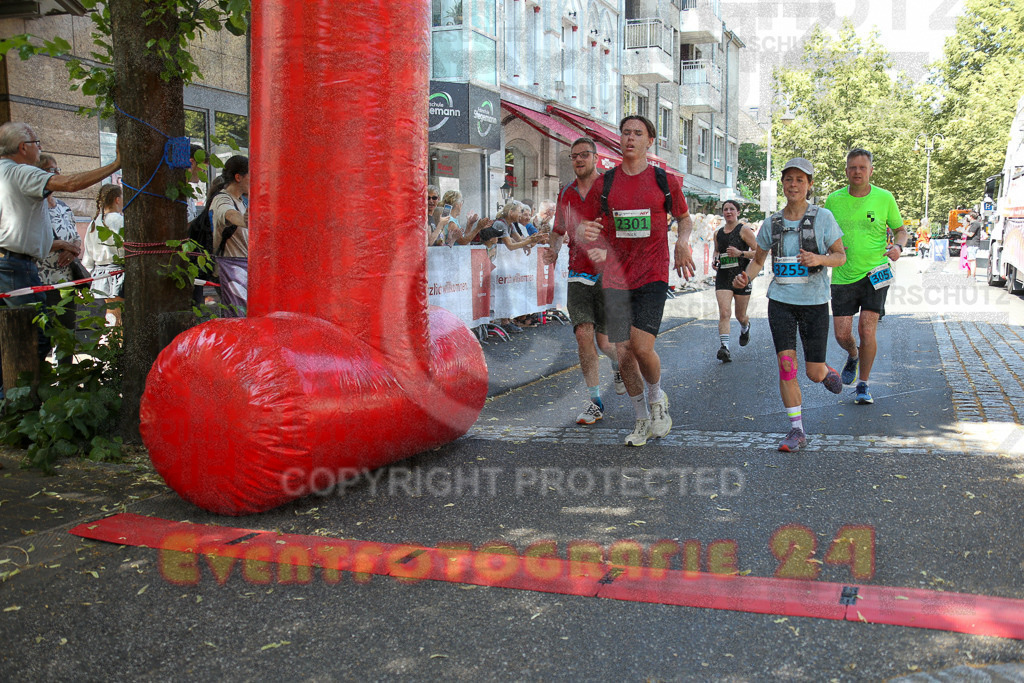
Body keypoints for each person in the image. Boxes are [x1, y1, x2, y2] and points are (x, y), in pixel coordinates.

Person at [582, 115, 695, 447]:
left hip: (652, 274)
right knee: (623, 351)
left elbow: (684, 219)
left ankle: (658, 398)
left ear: (650, 141)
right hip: (616, 278)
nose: (630, 138)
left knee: (641, 347)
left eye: (637, 133)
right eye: (625, 133)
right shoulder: (605, 183)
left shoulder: (665, 180)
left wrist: (682, 242)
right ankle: (641, 419)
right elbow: (589, 226)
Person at [732, 158, 847, 452]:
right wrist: (746, 277)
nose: (793, 185)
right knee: (786, 365)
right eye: (788, 179)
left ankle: (825, 371)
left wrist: (819, 259)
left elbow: (840, 256)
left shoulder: (824, 217)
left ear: (808, 185)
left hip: (815, 303)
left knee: (813, 372)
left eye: (799, 180)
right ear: (783, 184)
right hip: (781, 302)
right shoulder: (772, 223)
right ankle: (796, 430)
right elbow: (759, 259)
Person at [0, 122, 118, 373]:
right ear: (23, 147)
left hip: (16, 264)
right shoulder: (22, 173)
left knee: (25, 333)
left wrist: (71, 245)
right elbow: (71, 183)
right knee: (38, 335)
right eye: (37, 144)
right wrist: (115, 165)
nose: (40, 149)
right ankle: (14, 395)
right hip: (18, 266)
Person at [544, 136, 624, 425]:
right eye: (574, 156)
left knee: (605, 342)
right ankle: (595, 402)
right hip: (578, 272)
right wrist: (553, 250)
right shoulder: (565, 192)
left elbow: (623, 227)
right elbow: (558, 230)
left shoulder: (610, 188)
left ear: (595, 158)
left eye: (584, 155)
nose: (578, 160)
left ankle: (617, 366)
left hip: (608, 272)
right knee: (582, 335)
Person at [824, 148, 906, 405]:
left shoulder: (885, 198)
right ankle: (852, 354)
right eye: (852, 168)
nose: (857, 172)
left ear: (871, 170)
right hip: (843, 274)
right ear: (846, 171)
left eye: (862, 167)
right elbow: (823, 233)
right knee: (842, 334)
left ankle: (863, 385)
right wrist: (828, 247)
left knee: (867, 330)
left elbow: (900, 231)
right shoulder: (834, 200)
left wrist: (898, 247)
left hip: (875, 273)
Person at [33, 154, 83, 364]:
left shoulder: (63, 206)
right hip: (42, 281)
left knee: (66, 336)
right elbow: (33, 242)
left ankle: (65, 384)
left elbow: (77, 239)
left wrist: (72, 250)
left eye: (57, 169)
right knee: (41, 338)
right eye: (50, 170)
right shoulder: (33, 207)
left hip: (66, 280)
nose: (57, 174)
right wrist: (63, 245)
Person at [712, 199, 757, 362]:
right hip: (723, 276)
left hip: (741, 276)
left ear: (738, 212)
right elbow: (716, 251)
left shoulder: (744, 230)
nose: (728, 212)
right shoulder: (718, 233)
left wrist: (740, 253)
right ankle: (725, 348)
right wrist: (715, 261)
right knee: (724, 312)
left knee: (740, 315)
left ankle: (745, 327)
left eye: (731, 209)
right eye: (725, 209)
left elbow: (758, 252)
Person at [209, 155, 249, 316]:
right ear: (238, 177)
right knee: (236, 320)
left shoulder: (242, 201)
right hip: (230, 271)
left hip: (242, 271)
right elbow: (230, 215)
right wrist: (246, 220)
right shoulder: (221, 199)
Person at [82, 184, 125, 327]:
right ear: (117, 199)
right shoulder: (120, 220)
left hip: (101, 274)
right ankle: (116, 345)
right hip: (118, 274)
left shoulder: (93, 223)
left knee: (112, 315)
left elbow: (88, 257)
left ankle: (112, 344)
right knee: (119, 318)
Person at [963, 210, 983, 278]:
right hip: (971, 244)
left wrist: (963, 231)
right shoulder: (973, 224)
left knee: (972, 260)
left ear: (971, 217)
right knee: (970, 260)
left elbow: (971, 234)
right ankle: (969, 275)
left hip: (973, 244)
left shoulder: (975, 224)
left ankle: (972, 276)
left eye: (968, 216)